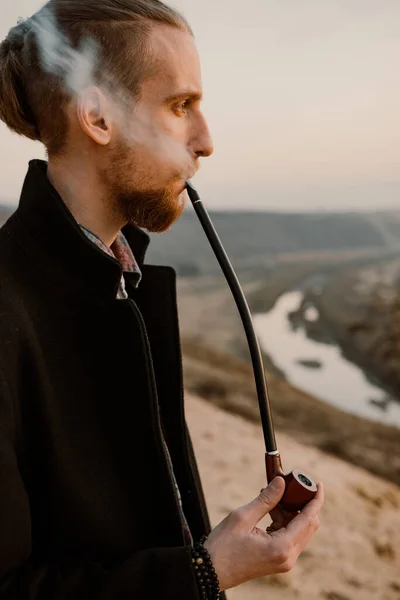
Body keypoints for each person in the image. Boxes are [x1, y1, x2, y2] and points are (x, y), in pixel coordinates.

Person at [0, 1, 324, 598]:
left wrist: (207, 554)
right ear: (97, 116)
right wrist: (204, 573)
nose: (205, 142)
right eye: (181, 106)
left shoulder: (125, 285)